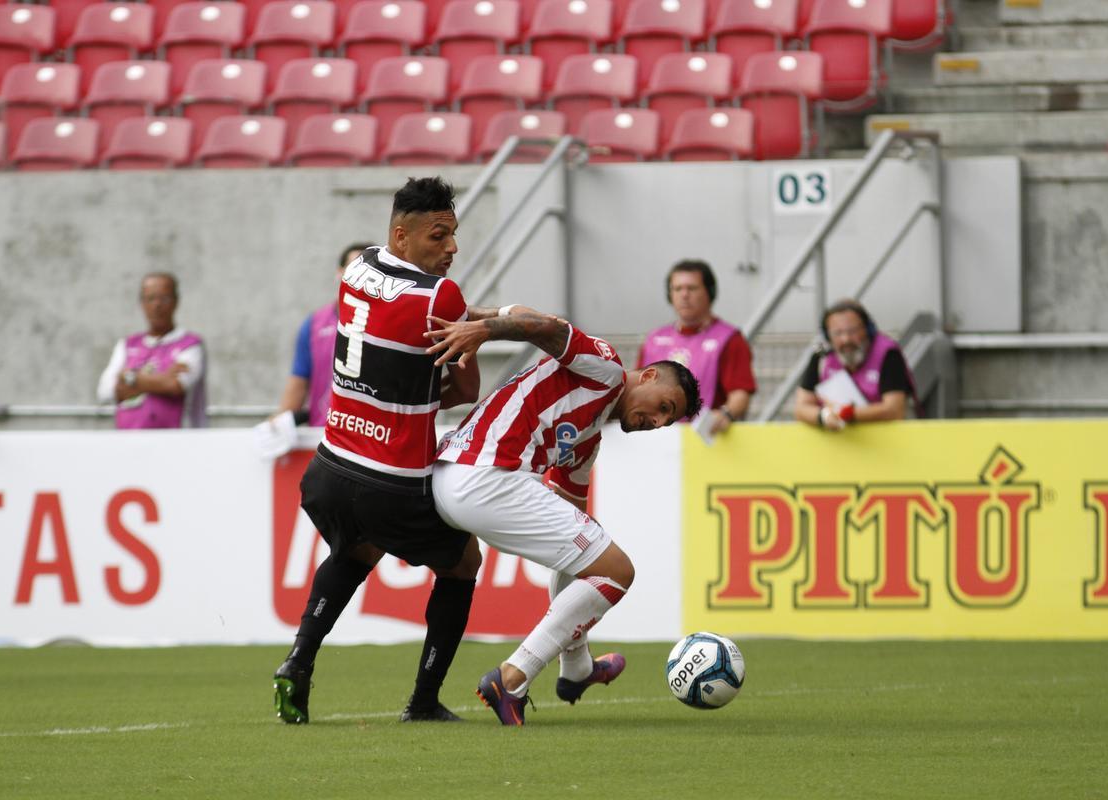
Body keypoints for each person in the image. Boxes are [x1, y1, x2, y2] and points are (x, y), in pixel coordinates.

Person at [272, 177, 539, 725]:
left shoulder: (358, 268)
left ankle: (299, 661)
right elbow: (465, 392)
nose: (452, 248)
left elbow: (388, 345)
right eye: (439, 236)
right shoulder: (442, 297)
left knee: (355, 551)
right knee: (464, 561)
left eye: (455, 235)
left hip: (327, 468)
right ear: (402, 235)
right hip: (389, 478)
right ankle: (422, 701)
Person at [425, 309, 702, 726]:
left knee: (592, 561)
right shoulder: (606, 369)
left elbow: (574, 541)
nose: (659, 421)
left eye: (668, 420)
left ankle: (576, 671)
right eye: (664, 406)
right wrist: (485, 327)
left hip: (453, 478)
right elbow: (549, 328)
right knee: (618, 571)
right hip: (485, 474)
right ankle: (512, 678)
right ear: (646, 376)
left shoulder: (587, 441)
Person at [638, 259, 756, 437]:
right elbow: (635, 391)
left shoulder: (729, 339)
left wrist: (725, 414)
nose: (684, 295)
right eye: (677, 289)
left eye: (692, 288)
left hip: (706, 440)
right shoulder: (653, 340)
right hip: (656, 440)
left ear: (710, 292)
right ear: (670, 295)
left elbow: (740, 394)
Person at [276, 242, 373, 425]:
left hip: (374, 439)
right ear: (339, 273)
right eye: (354, 269)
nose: (362, 277)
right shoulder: (313, 325)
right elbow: (298, 385)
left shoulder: (392, 325)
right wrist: (276, 424)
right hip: (323, 437)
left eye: (370, 271)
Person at [97, 272, 207, 429]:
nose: (157, 305)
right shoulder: (127, 345)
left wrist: (129, 378)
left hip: (177, 442)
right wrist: (162, 379)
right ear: (141, 303)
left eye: (164, 298)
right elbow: (105, 392)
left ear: (176, 302)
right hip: (129, 442)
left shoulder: (190, 344)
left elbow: (176, 386)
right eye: (150, 298)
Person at [795, 298, 916, 431]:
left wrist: (846, 413)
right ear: (828, 336)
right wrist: (823, 416)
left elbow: (894, 411)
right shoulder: (821, 357)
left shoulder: (888, 354)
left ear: (868, 330)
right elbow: (801, 409)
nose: (846, 339)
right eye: (837, 333)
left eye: (852, 331)